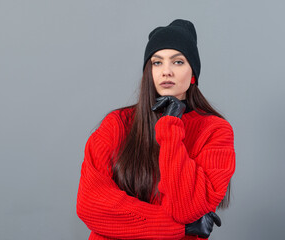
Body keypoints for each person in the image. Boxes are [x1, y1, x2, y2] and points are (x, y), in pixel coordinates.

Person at [76, 19, 236, 240]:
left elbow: (187, 208)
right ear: (148, 72)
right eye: (157, 62)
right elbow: (91, 205)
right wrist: (180, 228)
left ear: (193, 75)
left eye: (178, 62)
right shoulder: (117, 124)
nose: (166, 71)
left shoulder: (215, 131)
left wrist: (170, 126)